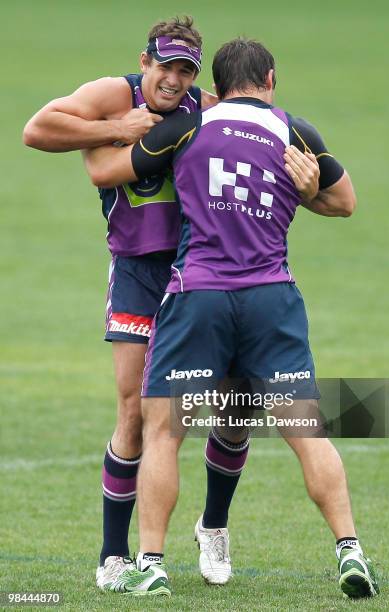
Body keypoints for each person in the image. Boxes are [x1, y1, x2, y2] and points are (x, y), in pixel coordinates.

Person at [83, 38, 380, 600]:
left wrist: (113, 130)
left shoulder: (188, 126)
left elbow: (110, 172)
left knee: (164, 430)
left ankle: (150, 562)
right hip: (272, 298)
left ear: (212, 85)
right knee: (306, 430)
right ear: (271, 77)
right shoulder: (296, 132)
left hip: (199, 295)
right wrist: (309, 189)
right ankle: (349, 548)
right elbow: (345, 203)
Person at [22, 15, 256, 594]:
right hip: (135, 274)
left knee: (234, 405)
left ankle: (215, 524)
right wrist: (118, 126)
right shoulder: (113, 94)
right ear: (145, 60)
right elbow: (38, 129)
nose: (173, 81)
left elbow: (261, 136)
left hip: (202, 272)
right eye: (165, 66)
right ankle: (113, 555)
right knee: (133, 411)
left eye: (185, 70)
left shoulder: (206, 105)